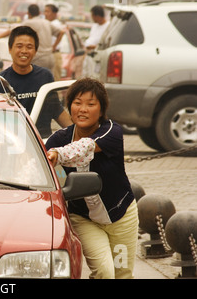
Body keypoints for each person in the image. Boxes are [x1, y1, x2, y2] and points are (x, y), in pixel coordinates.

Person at [45, 78, 138, 279]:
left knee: (122, 274)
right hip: (84, 219)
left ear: (101, 109)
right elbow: (37, 164)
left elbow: (85, 148)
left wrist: (57, 155)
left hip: (121, 217)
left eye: (90, 104)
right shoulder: (59, 138)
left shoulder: (112, 131)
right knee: (104, 271)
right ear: (69, 106)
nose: (83, 109)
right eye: (77, 103)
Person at [0, 26, 71, 135]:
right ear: (10, 49)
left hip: (42, 144)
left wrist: (80, 134)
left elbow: (56, 110)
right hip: (11, 143)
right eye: (19, 46)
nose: (24, 51)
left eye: (29, 47)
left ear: (35, 50)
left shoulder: (45, 76)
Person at [0, 4, 64, 71]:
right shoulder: (46, 22)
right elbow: (61, 32)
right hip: (50, 58)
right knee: (49, 82)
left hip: (39, 59)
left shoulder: (28, 23)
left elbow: (11, 31)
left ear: (28, 14)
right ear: (39, 12)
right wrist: (54, 46)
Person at [82, 5, 109, 77]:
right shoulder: (95, 25)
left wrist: (94, 47)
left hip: (97, 57)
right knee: (86, 76)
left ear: (97, 16)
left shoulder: (108, 26)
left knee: (95, 77)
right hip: (89, 55)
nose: (92, 18)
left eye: (92, 15)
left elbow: (107, 43)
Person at [44, 4, 65, 81]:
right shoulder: (47, 24)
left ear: (54, 13)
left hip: (54, 54)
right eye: (45, 11)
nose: (45, 14)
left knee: (55, 79)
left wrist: (54, 46)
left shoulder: (55, 24)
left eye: (47, 11)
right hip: (48, 55)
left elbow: (61, 33)